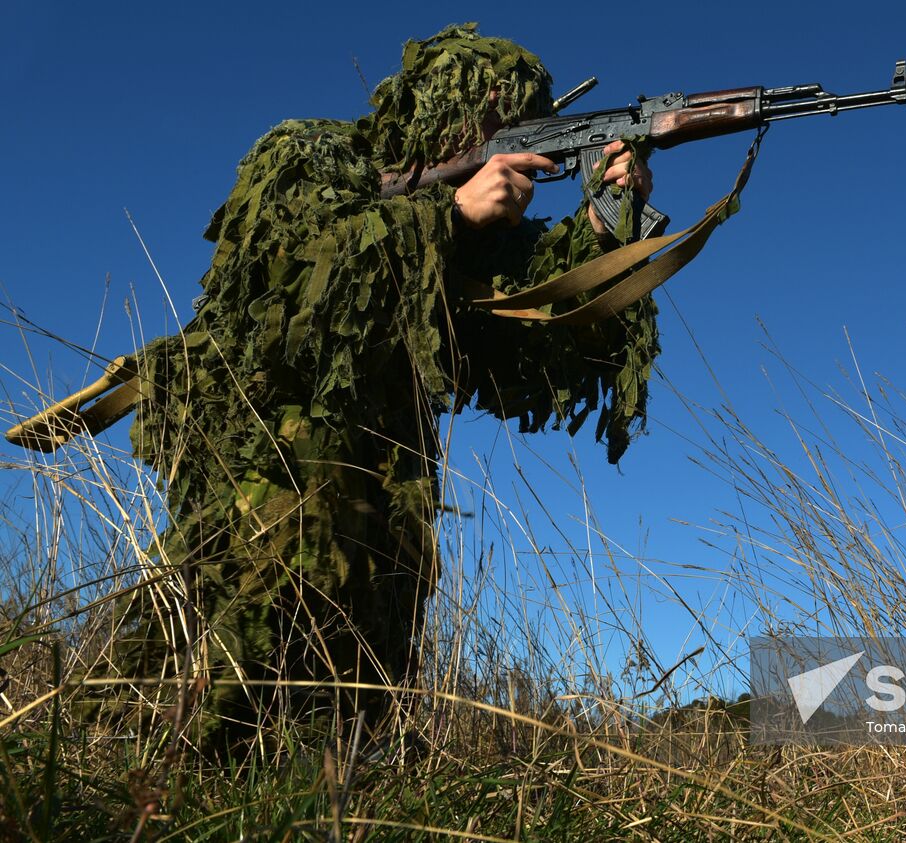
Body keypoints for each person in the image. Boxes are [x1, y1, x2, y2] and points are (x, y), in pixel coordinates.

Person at [106, 23, 660, 750]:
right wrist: (451, 216)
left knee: (351, 722)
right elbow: (286, 290)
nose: (514, 144)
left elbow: (541, 341)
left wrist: (605, 220)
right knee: (223, 685)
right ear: (439, 109)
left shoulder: (485, 236)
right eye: (496, 119)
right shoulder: (309, 154)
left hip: (388, 495)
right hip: (267, 468)